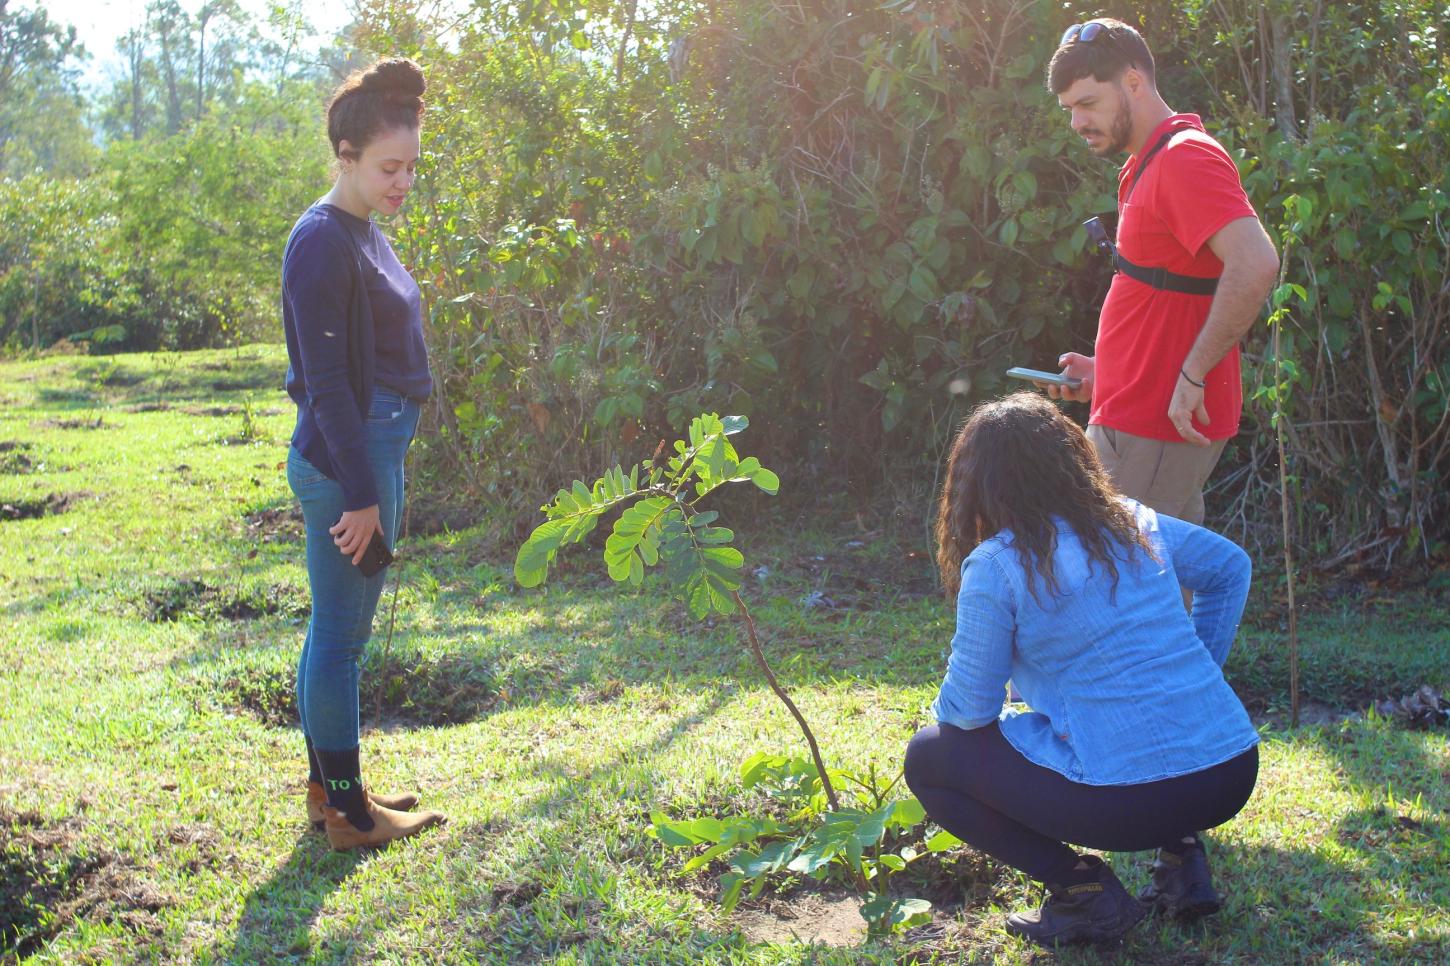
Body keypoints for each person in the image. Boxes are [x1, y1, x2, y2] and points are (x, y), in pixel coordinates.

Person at [903, 393, 1260, 947]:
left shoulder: (997, 564)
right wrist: (1197, 675)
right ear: (1073, 460)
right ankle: (1184, 864)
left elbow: (969, 715)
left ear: (975, 484)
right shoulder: (1133, 521)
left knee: (931, 755)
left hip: (1130, 805)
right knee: (1121, 727)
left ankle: (1081, 892)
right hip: (1231, 771)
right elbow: (1229, 567)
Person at [282, 58, 444, 850]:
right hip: (351, 458)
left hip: (369, 449)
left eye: (410, 167)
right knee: (343, 639)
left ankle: (330, 788)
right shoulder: (320, 242)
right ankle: (350, 814)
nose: (401, 182)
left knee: (332, 631)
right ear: (345, 155)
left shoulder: (359, 229)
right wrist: (359, 494)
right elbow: (326, 387)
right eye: (388, 167)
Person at [1041, 18, 1279, 527]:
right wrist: (1108, 370)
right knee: (1167, 584)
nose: (1078, 122)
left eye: (1088, 104)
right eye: (1070, 110)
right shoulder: (1145, 162)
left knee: (1116, 584)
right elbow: (1168, 293)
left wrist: (1194, 374)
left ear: (1132, 82)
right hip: (1136, 411)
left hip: (1155, 423)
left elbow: (1256, 262)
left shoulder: (1183, 159)